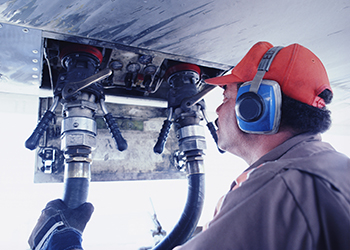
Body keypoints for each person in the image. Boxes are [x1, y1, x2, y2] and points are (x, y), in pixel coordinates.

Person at [28, 41, 350, 250]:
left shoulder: (282, 190)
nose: (218, 110)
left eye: (226, 96)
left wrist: (58, 242)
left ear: (256, 107)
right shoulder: (322, 170)